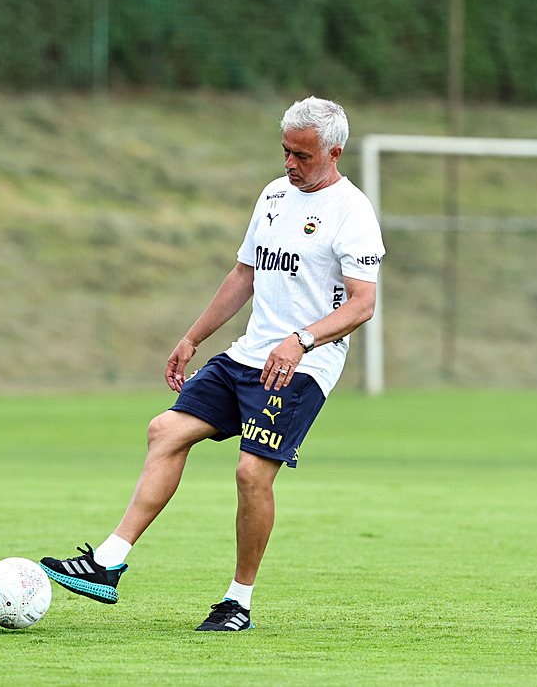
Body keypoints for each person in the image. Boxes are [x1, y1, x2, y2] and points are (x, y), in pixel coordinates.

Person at [40, 96, 385, 631]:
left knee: (252, 473)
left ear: (334, 153)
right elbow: (244, 275)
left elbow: (363, 304)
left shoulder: (352, 212)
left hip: (301, 366)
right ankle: (106, 563)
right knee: (165, 430)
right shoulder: (273, 195)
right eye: (285, 152)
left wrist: (302, 340)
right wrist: (193, 337)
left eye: (302, 155)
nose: (289, 164)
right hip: (248, 355)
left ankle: (238, 602)